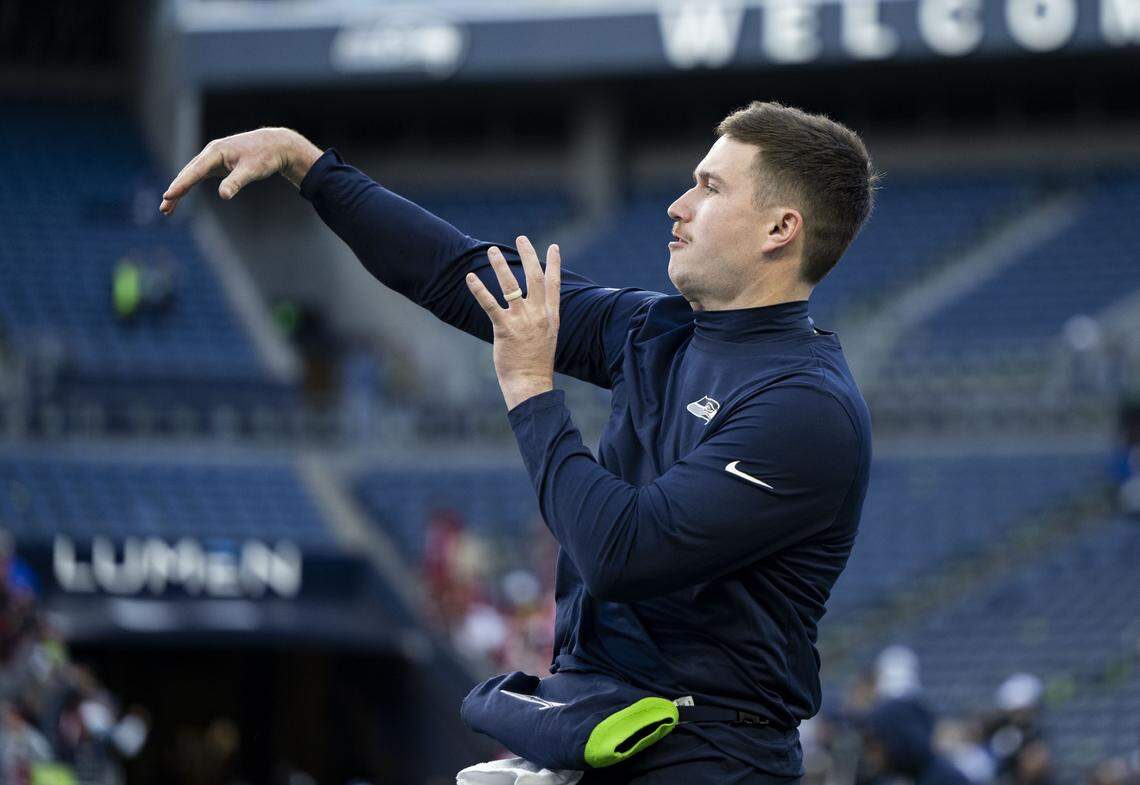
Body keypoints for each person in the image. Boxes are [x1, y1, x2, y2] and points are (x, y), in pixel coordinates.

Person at [159, 100, 877, 784]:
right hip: (599, 726)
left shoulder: (805, 406)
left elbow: (622, 552)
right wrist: (309, 165)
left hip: (713, 755)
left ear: (780, 229)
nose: (678, 205)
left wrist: (532, 389)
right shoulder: (657, 329)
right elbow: (460, 273)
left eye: (710, 187)